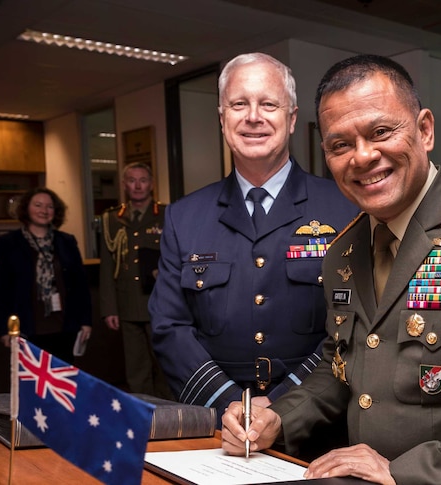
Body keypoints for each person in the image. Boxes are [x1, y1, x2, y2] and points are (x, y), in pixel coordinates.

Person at [221, 54, 441, 484]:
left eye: (380, 132)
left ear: (424, 130)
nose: (362, 156)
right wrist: (279, 418)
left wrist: (405, 473)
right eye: (340, 145)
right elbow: (341, 368)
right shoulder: (342, 251)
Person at [148, 52, 360, 421]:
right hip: (219, 424)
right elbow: (169, 327)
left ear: (291, 118)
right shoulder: (184, 216)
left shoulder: (345, 207)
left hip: (316, 422)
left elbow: (355, 325)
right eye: (238, 104)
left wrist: (285, 404)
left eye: (268, 104)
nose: (253, 117)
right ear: (221, 117)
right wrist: (231, 403)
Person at [0, 187, 92, 363]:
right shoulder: (8, 243)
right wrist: (4, 329)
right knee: (33, 383)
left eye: (49, 206)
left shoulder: (67, 241)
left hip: (65, 326)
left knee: (63, 380)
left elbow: (80, 286)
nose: (44, 211)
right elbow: (1, 290)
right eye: (38, 205)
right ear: (26, 209)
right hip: (27, 326)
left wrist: (85, 321)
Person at [100, 162, 172, 398]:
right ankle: (143, 413)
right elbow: (108, 266)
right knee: (136, 367)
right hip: (128, 302)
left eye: (143, 180)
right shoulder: (112, 219)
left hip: (160, 302)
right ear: (124, 185)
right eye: (132, 180)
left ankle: (170, 413)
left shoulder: (166, 214)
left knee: (165, 364)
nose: (138, 185)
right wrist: (109, 308)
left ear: (151, 184)